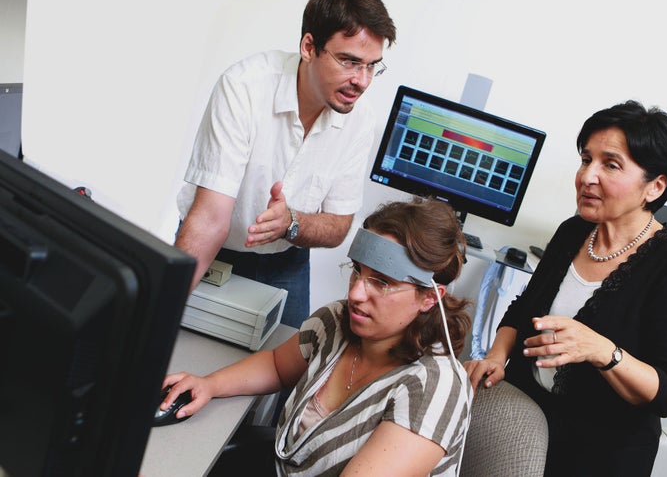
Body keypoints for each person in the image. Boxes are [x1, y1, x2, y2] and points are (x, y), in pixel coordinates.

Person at [464, 100, 667, 476]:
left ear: (655, 186)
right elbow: (523, 308)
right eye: (585, 159)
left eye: (610, 165)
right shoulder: (573, 231)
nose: (586, 176)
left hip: (600, 456)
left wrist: (601, 351)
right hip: (522, 427)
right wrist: (497, 356)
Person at [162, 198, 473, 476]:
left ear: (430, 298)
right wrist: (210, 384)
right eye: (357, 271)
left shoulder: (434, 388)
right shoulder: (338, 322)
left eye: (382, 282)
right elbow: (276, 365)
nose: (355, 293)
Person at [175, 0, 396, 328]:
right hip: (214, 251)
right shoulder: (244, 88)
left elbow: (338, 225)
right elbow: (209, 220)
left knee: (283, 376)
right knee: (169, 350)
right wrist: (157, 310)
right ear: (309, 46)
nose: (363, 81)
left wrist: (291, 223)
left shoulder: (360, 119)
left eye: (372, 66)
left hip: (286, 263)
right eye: (350, 61)